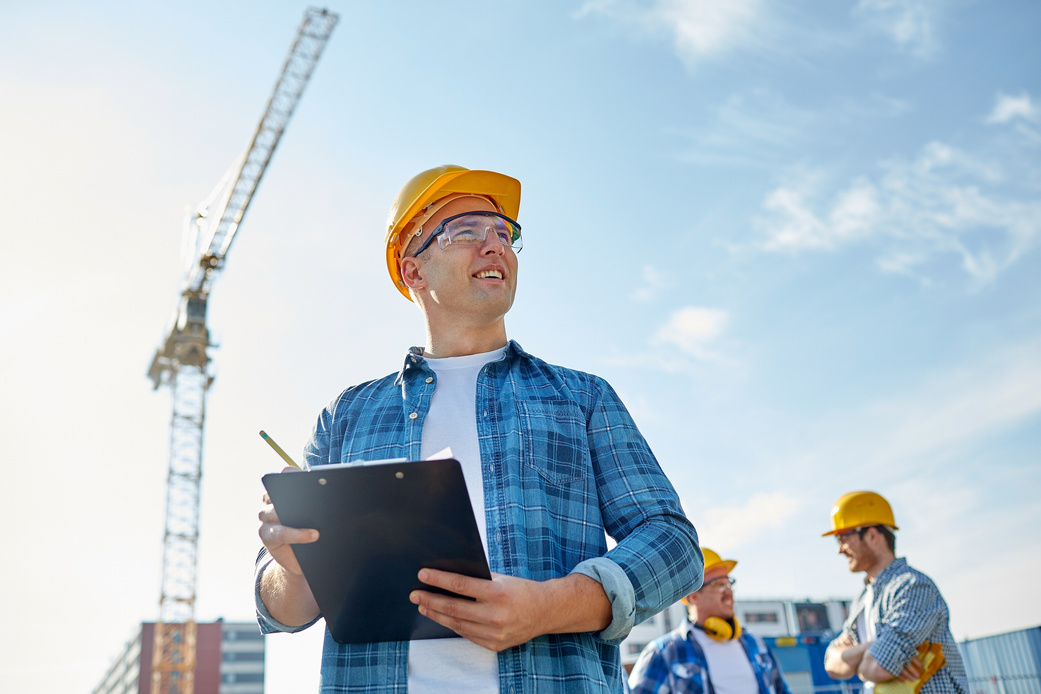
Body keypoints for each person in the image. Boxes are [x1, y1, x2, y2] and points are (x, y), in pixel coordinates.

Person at [255, 164, 703, 693]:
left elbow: (674, 545)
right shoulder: (347, 416)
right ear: (413, 271)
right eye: (465, 232)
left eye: (503, 233)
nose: (495, 246)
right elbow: (282, 609)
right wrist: (294, 566)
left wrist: (551, 607)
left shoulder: (582, 399)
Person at [822, 491, 969, 694]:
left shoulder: (913, 587)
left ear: (872, 535)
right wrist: (870, 648)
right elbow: (831, 664)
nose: (840, 549)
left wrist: (858, 660)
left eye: (843, 537)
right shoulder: (862, 600)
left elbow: (877, 668)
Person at [629, 547, 792, 694]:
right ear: (693, 596)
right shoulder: (664, 653)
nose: (728, 592)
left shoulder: (757, 645)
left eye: (729, 583)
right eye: (718, 584)